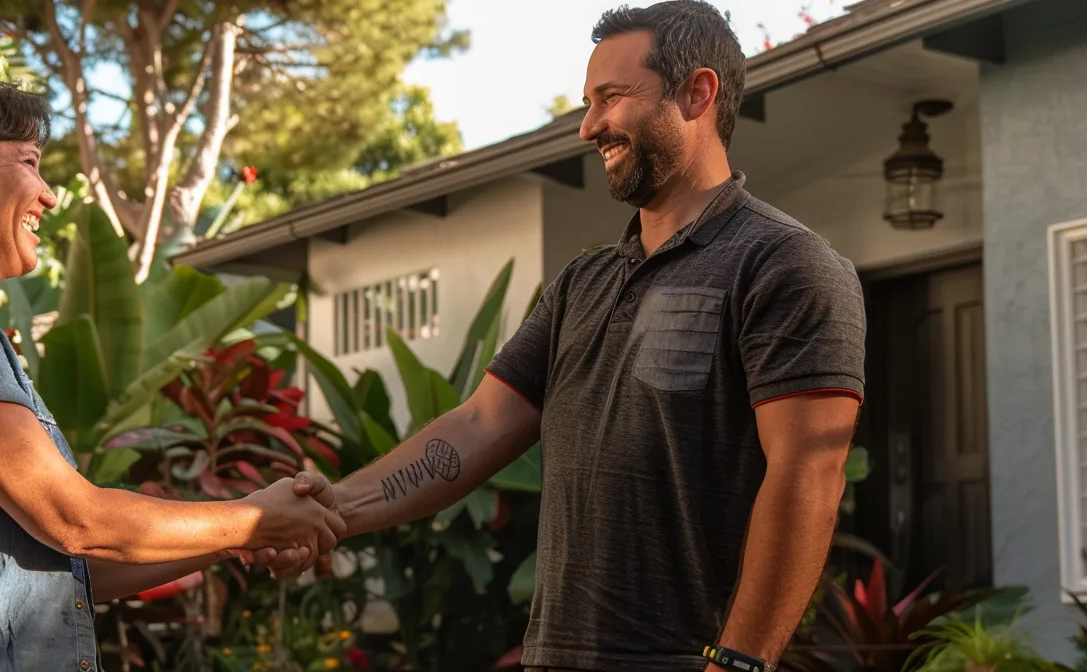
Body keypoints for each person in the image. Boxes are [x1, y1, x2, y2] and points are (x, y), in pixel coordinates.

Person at [289, 3, 867, 670]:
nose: (589, 127)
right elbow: (478, 426)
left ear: (697, 92)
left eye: (611, 98)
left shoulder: (784, 265)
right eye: (587, 103)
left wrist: (738, 663)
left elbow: (808, 475)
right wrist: (334, 509)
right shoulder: (581, 283)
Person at [0, 74, 341, 672]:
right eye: (29, 162)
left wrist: (237, 535)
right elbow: (77, 520)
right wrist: (257, 518)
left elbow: (76, 563)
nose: (48, 195)